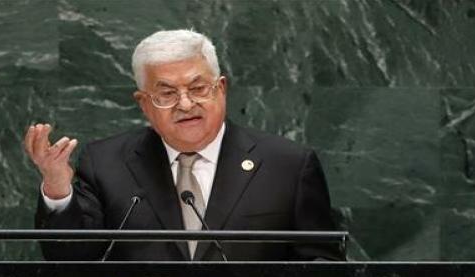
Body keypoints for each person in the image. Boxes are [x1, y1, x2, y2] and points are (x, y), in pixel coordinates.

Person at [24, 29, 343, 261]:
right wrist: (56, 187)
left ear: (221, 89)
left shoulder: (287, 166)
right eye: (166, 93)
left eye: (198, 88)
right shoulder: (106, 163)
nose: (186, 104)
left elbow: (323, 266)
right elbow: (71, 261)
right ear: (144, 104)